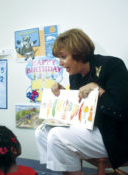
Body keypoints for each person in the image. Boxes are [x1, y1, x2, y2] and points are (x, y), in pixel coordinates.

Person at [35, 28, 128, 175]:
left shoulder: (113, 65)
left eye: (63, 57)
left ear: (79, 53)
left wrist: (98, 90)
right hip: (89, 129)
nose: (60, 63)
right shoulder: (75, 75)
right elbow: (79, 108)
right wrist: (64, 95)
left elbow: (122, 109)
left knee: (57, 136)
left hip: (114, 135)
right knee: (41, 131)